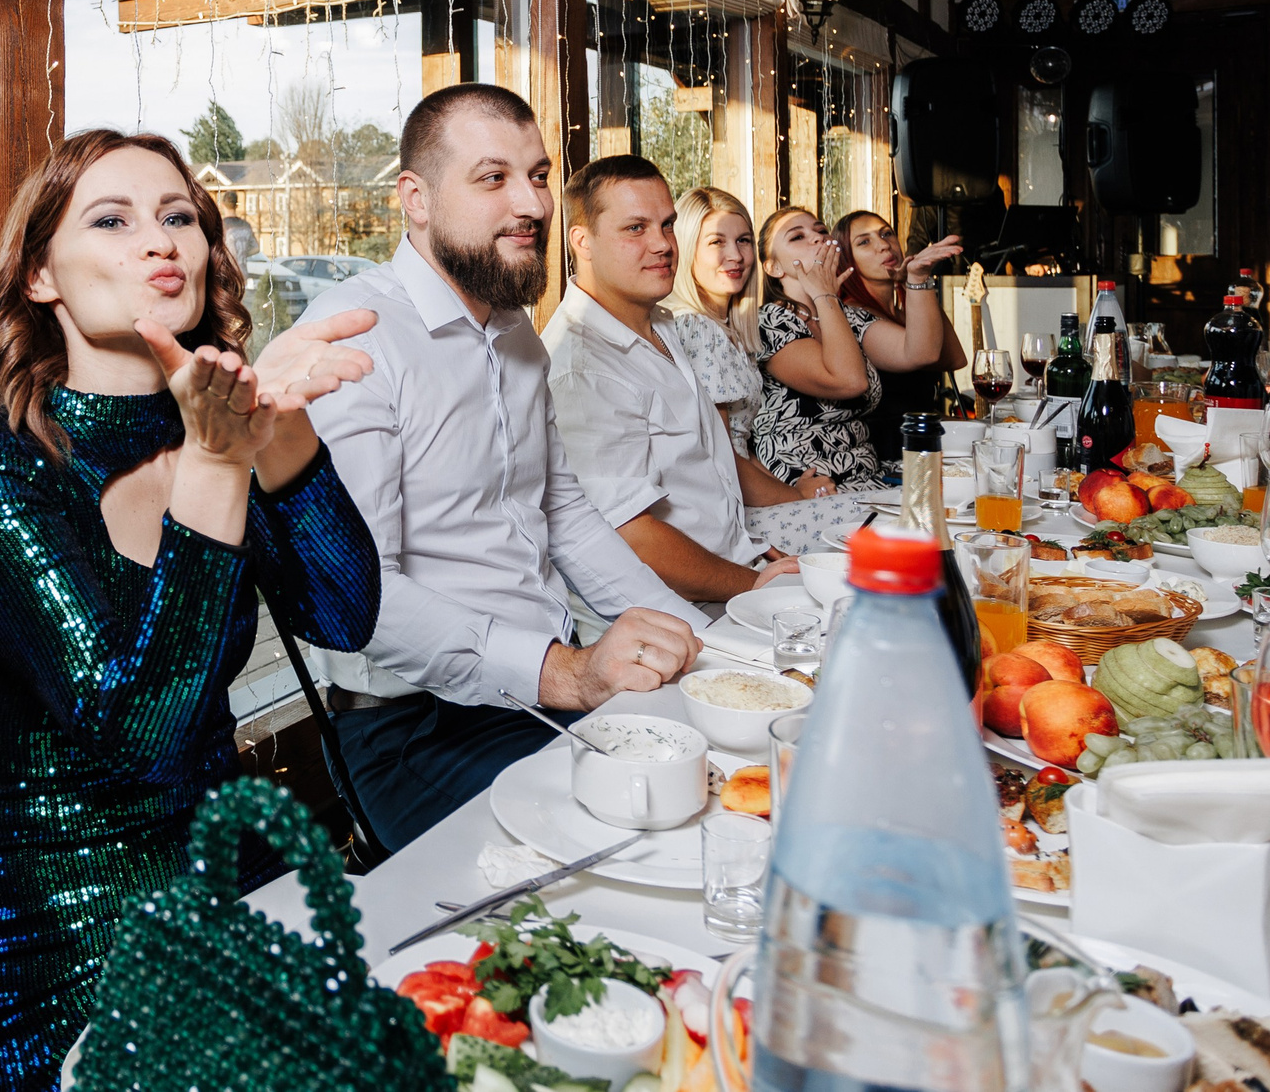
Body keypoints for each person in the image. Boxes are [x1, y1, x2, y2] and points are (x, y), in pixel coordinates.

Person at [0, 130, 383, 1092]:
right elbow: (137, 731)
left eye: (179, 216)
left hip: (236, 880)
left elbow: (345, 616)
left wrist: (280, 433)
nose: (160, 240)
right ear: (41, 276)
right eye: (112, 220)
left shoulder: (218, 423)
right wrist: (217, 460)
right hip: (72, 945)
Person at [302, 84, 706, 851]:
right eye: (494, 178)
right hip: (412, 730)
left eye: (539, 175)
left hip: (539, 696)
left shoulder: (516, 329)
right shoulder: (354, 338)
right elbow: (362, 596)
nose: (532, 203)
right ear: (415, 199)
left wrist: (703, 645)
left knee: (713, 789)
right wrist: (567, 673)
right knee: (642, 843)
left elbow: (565, 514)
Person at [544, 157, 876, 584]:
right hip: (678, 603)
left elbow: (712, 472)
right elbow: (629, 538)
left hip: (737, 557)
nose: (663, 244)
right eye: (635, 228)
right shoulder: (583, 367)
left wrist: (752, 547)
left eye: (667, 225)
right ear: (582, 242)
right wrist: (753, 583)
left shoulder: (660, 322)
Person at [753, 206, 958, 490]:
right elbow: (850, 382)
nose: (817, 237)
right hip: (808, 484)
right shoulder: (770, 322)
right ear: (774, 267)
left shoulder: (847, 315)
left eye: (821, 230)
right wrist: (824, 294)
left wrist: (917, 278)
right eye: (797, 236)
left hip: (869, 476)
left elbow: (921, 353)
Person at [661, 185, 840, 500]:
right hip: (717, 500)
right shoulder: (697, 328)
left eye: (743, 240)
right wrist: (797, 498)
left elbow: (739, 447)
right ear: (687, 250)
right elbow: (721, 456)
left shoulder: (729, 329)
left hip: (740, 490)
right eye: (717, 242)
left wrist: (791, 490)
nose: (736, 255)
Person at [839, 209, 967, 462]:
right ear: (846, 260)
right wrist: (918, 279)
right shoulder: (853, 314)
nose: (884, 245)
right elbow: (924, 355)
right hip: (886, 454)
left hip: (923, 441)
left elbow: (954, 358)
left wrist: (915, 284)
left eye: (887, 233)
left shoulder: (903, 310)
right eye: (864, 242)